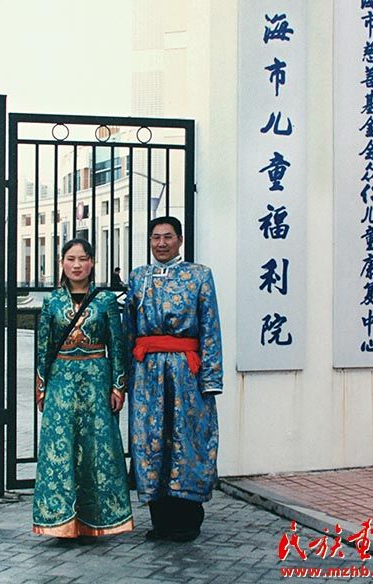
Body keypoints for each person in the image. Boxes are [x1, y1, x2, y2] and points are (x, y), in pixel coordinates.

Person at [123, 216, 223, 542]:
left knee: (186, 439)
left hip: (186, 373)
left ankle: (187, 519)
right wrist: (124, 376)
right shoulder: (138, 277)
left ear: (179, 240)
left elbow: (210, 326)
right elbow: (128, 329)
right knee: (151, 441)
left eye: (168, 237)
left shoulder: (199, 275)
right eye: (156, 237)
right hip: (147, 372)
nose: (161, 243)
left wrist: (210, 377)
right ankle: (160, 520)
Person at [33, 238, 133, 542]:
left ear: (92, 263)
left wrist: (118, 386)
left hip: (96, 383)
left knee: (97, 449)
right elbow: (43, 347)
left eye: (83, 259)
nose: (76, 265)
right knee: (60, 448)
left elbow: (117, 345)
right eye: (71, 259)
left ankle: (97, 520)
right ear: (62, 263)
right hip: (61, 382)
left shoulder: (105, 301)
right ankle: (61, 520)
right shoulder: (52, 301)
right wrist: (41, 387)